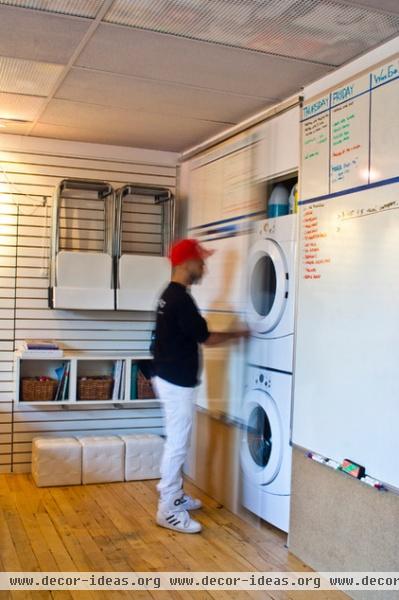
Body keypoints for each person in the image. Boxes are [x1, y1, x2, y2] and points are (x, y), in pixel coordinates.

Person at [152, 238, 247, 534]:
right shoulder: (181, 300)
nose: (204, 265)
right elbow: (206, 338)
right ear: (186, 263)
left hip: (167, 376)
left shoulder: (168, 294)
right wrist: (239, 334)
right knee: (178, 445)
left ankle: (174, 494)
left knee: (176, 441)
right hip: (176, 381)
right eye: (201, 260)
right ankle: (167, 509)